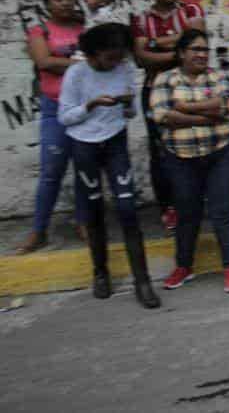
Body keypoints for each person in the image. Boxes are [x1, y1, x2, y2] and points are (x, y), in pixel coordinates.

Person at [57, 23, 160, 308]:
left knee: (127, 209)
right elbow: (64, 118)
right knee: (93, 208)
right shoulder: (76, 73)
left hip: (115, 140)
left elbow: (130, 112)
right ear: (93, 53)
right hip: (84, 144)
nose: (116, 62)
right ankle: (100, 272)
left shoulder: (124, 68)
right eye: (109, 57)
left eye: (119, 56)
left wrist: (126, 105)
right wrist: (90, 105)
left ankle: (143, 281)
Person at [151, 29, 229, 294]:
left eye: (205, 49)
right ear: (181, 53)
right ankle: (183, 266)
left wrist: (185, 109)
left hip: (221, 153)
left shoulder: (219, 77)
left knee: (222, 210)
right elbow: (162, 116)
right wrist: (208, 112)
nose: (202, 54)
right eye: (195, 49)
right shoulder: (165, 79)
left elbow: (228, 109)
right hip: (181, 158)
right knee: (187, 212)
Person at [132, 0, 206, 233]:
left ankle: (194, 201)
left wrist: (156, 43)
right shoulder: (141, 19)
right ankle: (169, 208)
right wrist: (178, 48)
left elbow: (197, 42)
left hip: (189, 89)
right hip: (154, 91)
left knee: (195, 143)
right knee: (160, 151)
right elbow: (141, 57)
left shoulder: (191, 11)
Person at [16, 0, 87, 254]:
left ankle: (83, 222)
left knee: (85, 170)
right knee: (51, 172)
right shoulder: (39, 30)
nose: (65, 3)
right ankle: (39, 230)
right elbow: (44, 62)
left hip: (83, 110)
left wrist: (66, 65)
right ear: (48, 3)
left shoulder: (85, 29)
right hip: (54, 109)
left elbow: (97, 63)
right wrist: (80, 64)